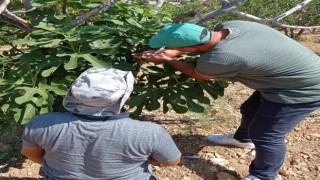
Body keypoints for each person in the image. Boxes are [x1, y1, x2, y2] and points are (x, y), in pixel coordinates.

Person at [140, 21, 320, 180]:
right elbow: (200, 49)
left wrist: (166, 58)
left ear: (190, 49)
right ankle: (242, 139)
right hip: (293, 73)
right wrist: (174, 51)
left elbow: (196, 73)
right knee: (249, 109)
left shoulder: (221, 58)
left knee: (266, 134)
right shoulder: (232, 25)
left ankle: (262, 175)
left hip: (304, 89)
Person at [21, 67, 181, 180]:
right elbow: (171, 161)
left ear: (74, 94)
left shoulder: (42, 123)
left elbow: (31, 153)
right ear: (126, 99)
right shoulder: (149, 132)